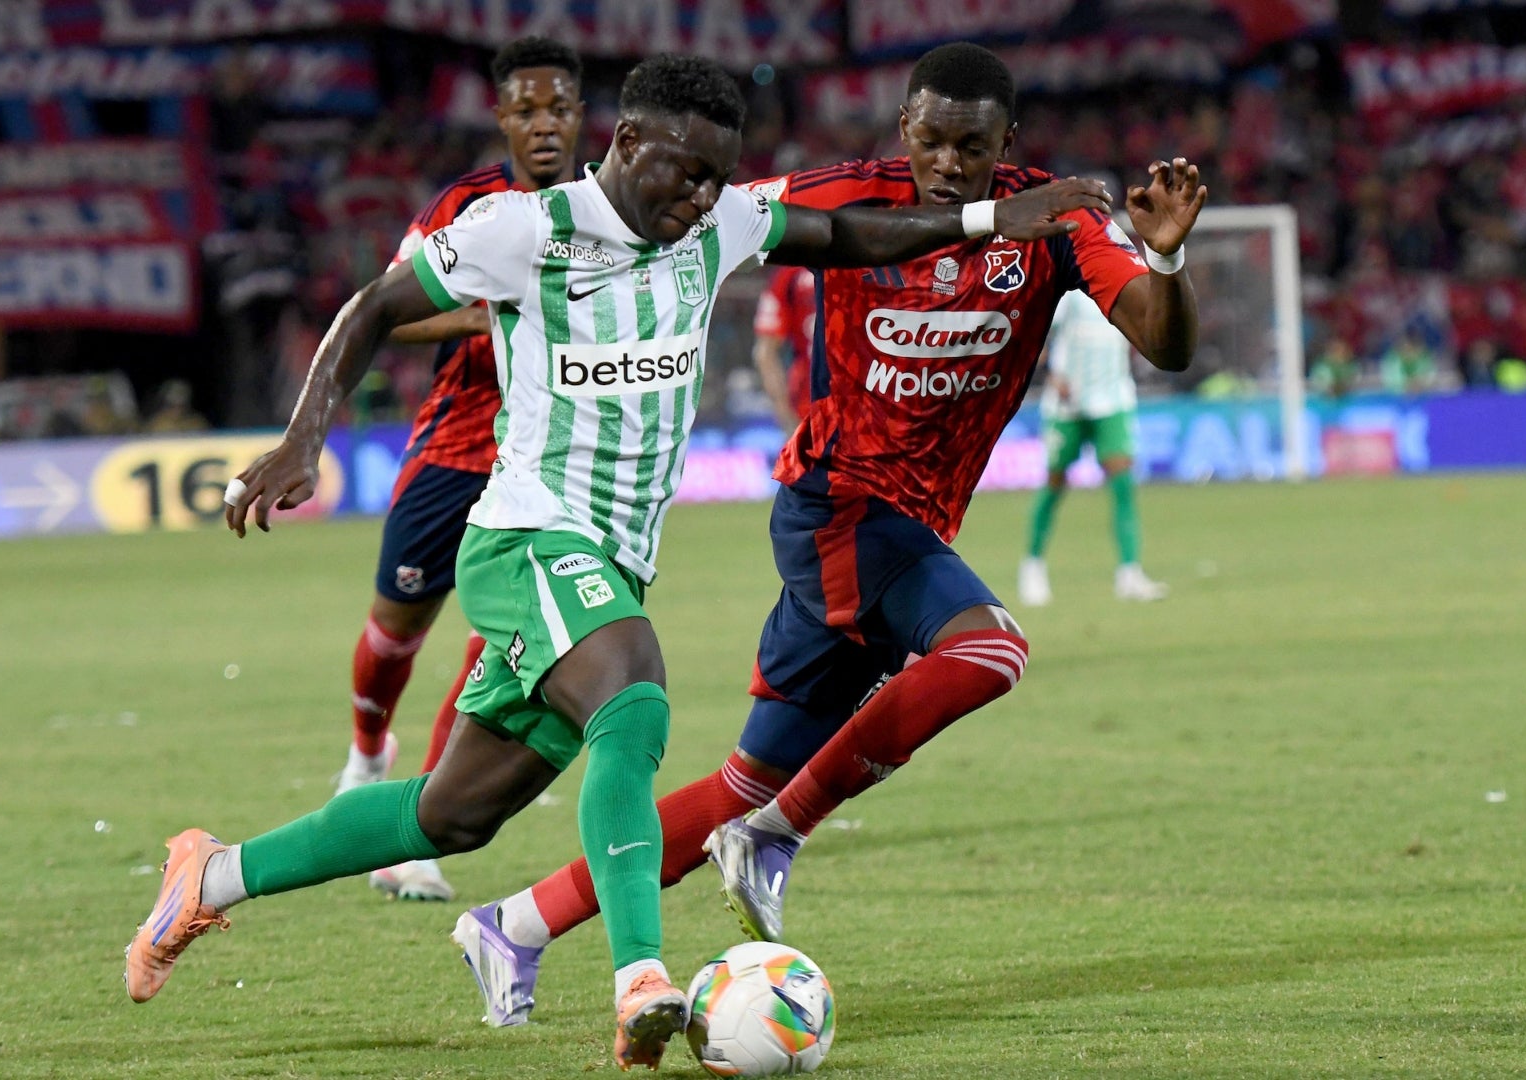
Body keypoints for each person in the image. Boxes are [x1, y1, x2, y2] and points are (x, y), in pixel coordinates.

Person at [121, 53, 1109, 1072]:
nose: (697, 199)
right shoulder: (524, 231)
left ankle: (213, 875)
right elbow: (372, 305)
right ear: (627, 144)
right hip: (528, 538)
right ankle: (643, 978)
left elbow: (844, 234)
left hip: (613, 559)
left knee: (453, 814)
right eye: (681, 173)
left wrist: (987, 223)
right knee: (634, 697)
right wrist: (303, 437)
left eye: (714, 179)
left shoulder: (718, 224)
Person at [454, 42, 1205, 1024]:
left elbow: (1166, 342)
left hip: (908, 525)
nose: (946, 161)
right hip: (837, 504)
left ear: (1004, 143)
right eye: (929, 138)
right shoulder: (848, 193)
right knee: (989, 650)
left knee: (741, 782)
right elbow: (683, 206)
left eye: (969, 146)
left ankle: (515, 923)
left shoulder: (1053, 221)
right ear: (904, 127)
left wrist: (1166, 257)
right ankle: (778, 838)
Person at [332, 37, 584, 905]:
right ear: (502, 118)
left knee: (495, 648)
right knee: (393, 635)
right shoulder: (468, 207)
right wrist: (482, 318)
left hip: (544, 464)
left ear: (581, 116)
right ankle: (368, 752)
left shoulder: (606, 210)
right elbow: (385, 317)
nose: (543, 124)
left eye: (559, 108)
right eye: (527, 110)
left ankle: (415, 832)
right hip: (453, 449)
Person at [1017, 288, 1168, 607]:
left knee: (1123, 483)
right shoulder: (1070, 291)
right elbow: (1039, 329)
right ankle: (1032, 566)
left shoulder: (1126, 284)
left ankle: (1129, 572)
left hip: (1113, 399)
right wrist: (1050, 373)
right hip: (1068, 403)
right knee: (1055, 482)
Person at [751, 265, 817, 432]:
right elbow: (765, 354)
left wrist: (786, 418)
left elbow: (764, 354)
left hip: (808, 408)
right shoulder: (869, 263)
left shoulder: (789, 275)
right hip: (858, 409)